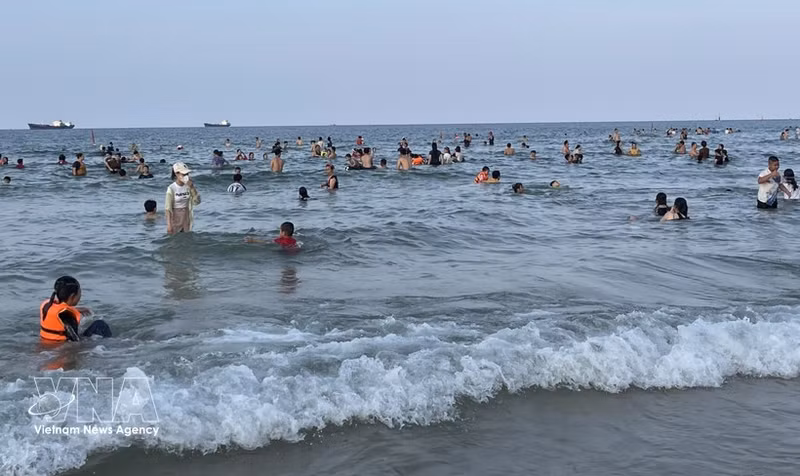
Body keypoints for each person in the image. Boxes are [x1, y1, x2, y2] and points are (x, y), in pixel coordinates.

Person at [39, 276, 112, 342]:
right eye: (79, 293)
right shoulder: (68, 316)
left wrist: (76, 310)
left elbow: (60, 311)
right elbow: (75, 340)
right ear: (72, 296)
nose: (80, 296)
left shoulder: (47, 305)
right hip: (62, 348)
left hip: (47, 344)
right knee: (100, 324)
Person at [165, 162, 201, 233]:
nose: (186, 176)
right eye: (183, 174)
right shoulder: (171, 188)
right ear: (176, 174)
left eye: (187, 174)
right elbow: (168, 208)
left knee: (186, 238)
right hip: (175, 215)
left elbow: (197, 202)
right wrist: (169, 224)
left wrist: (192, 187)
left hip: (186, 214)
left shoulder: (188, 186)